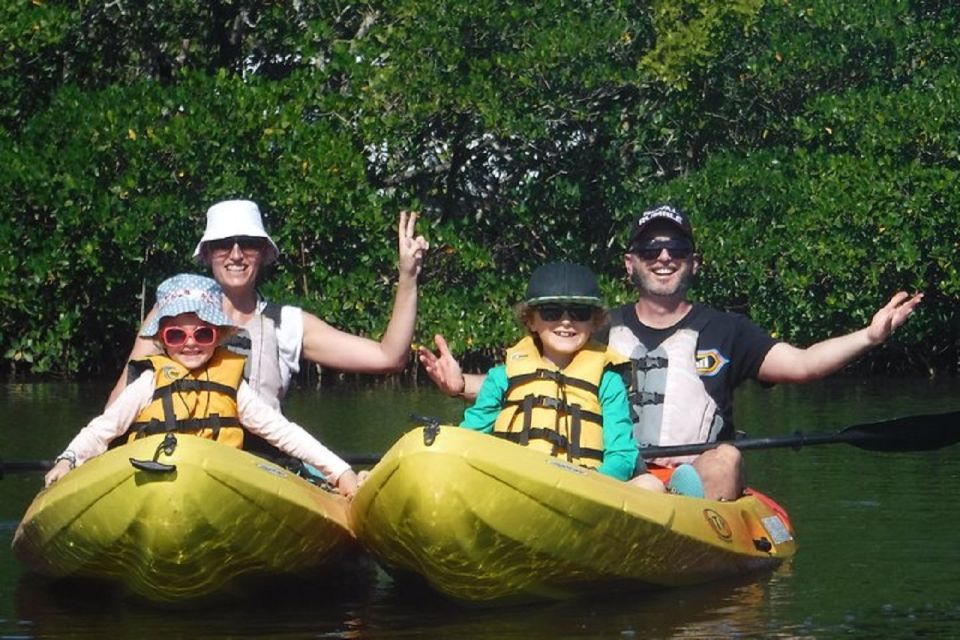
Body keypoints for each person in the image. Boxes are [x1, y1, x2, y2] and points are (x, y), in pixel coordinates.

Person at [419, 205, 922, 500]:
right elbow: (537, 382)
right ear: (630, 263)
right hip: (611, 471)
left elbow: (805, 365)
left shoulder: (728, 330)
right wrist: (460, 384)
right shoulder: (592, 327)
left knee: (726, 459)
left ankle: (679, 516)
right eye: (652, 249)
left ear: (692, 263)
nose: (664, 258)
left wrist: (869, 336)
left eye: (676, 250)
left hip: (694, 476)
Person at [46, 274, 361, 498]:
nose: (190, 344)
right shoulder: (148, 382)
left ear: (219, 336)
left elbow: (282, 432)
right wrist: (68, 459)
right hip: (148, 485)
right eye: (176, 336)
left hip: (217, 485)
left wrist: (340, 471)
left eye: (202, 335)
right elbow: (103, 429)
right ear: (161, 341)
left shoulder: (234, 387)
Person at [108, 199, 428, 409]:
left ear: (263, 252)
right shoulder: (171, 312)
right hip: (178, 455)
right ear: (207, 254)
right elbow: (119, 402)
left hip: (260, 464)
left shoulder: (289, 323)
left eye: (247, 244)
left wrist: (408, 275)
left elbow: (390, 357)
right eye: (222, 245)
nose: (235, 254)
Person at [459, 261, 669, 493]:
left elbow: (622, 454)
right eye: (551, 312)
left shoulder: (608, 382)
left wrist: (588, 484)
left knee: (651, 485)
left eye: (579, 313)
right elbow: (470, 435)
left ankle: (682, 491)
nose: (566, 321)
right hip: (512, 484)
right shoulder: (502, 377)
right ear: (531, 320)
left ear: (594, 322)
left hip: (585, 489)